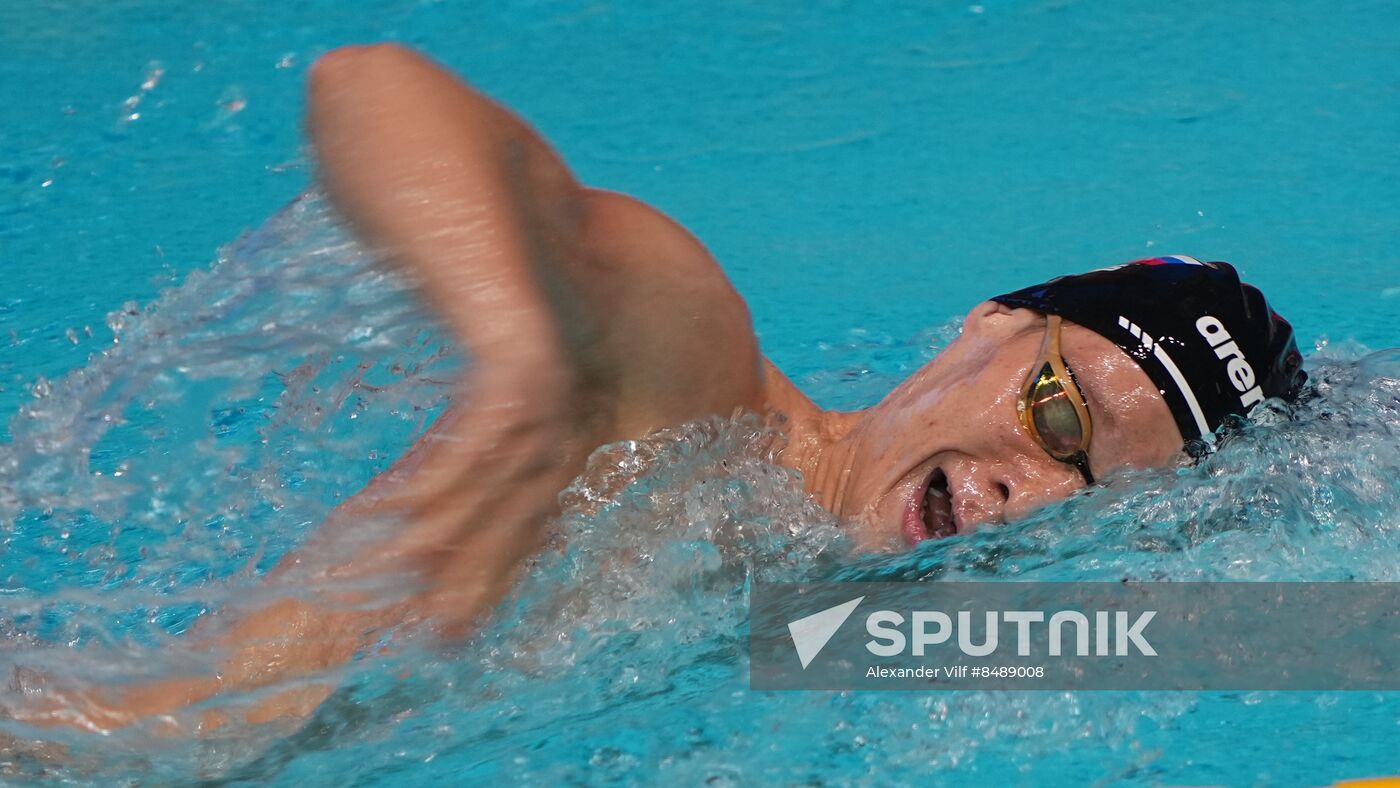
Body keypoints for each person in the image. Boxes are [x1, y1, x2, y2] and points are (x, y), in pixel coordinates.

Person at [12, 43, 1304, 733]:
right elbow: (372, 85)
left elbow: (1331, 635)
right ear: (985, 327)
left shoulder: (882, 624)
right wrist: (520, 351)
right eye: (1056, 416)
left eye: (1093, 496)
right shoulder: (690, 392)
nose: (1025, 502)